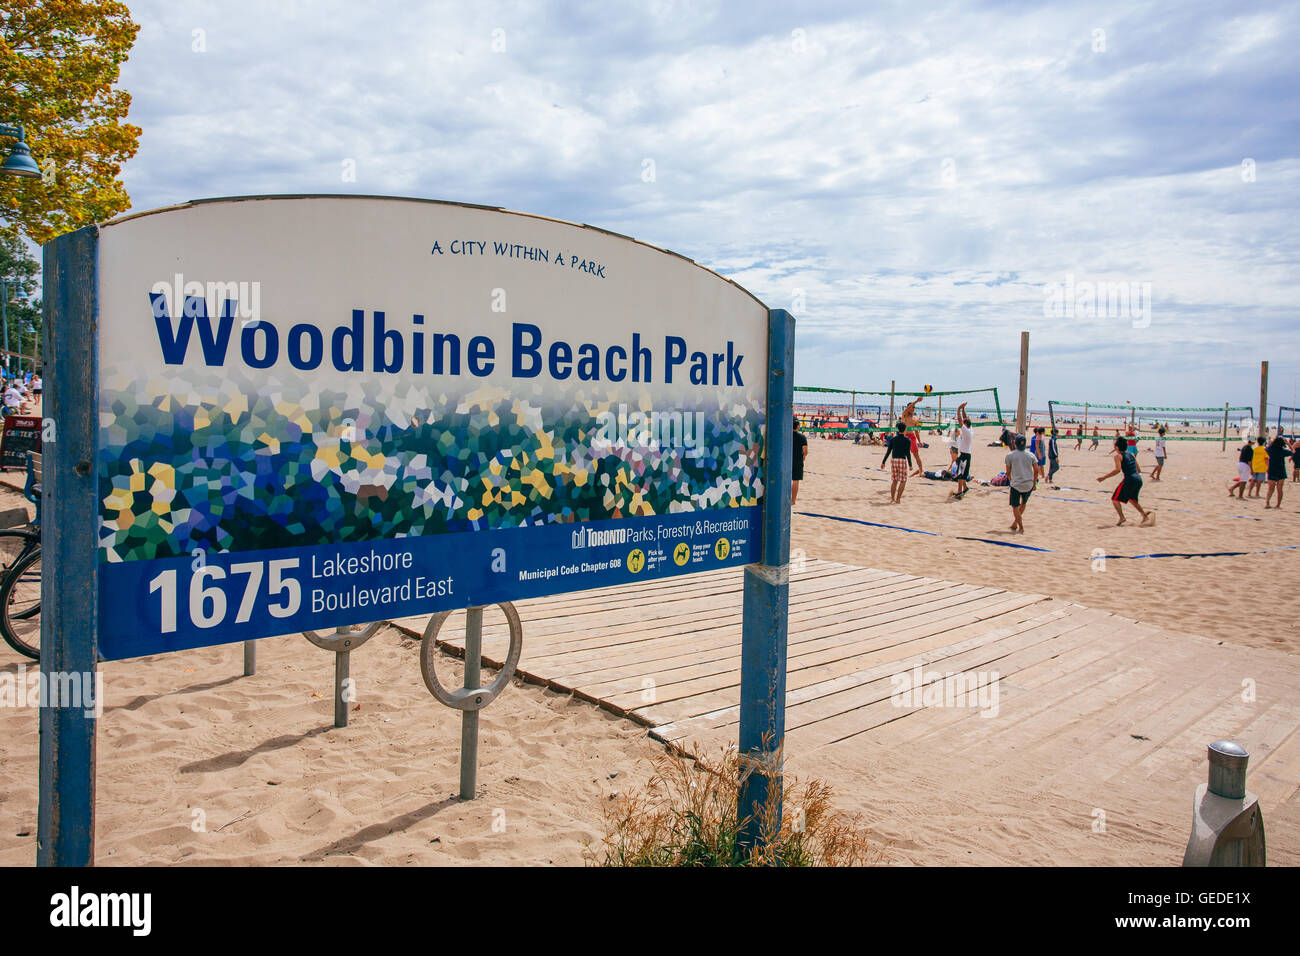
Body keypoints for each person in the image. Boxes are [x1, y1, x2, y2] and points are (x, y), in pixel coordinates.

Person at [1098, 436, 1154, 526]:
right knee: (1132, 499)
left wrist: (1104, 477)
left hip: (1130, 479)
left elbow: (1117, 470)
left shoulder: (1118, 456)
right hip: (1139, 480)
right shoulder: (1131, 455)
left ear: (1116, 447)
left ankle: (1122, 517)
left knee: (1115, 499)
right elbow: (1139, 470)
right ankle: (1144, 516)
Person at [1004, 434, 1040, 533]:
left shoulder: (1010, 455)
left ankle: (1021, 527)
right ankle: (1015, 523)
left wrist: (1011, 480)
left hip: (1016, 484)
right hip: (1028, 484)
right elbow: (1036, 470)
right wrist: (1034, 483)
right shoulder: (1031, 455)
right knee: (1023, 503)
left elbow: (1007, 471)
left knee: (1015, 506)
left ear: (1015, 444)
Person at [880, 421, 913, 503]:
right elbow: (907, 453)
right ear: (905, 430)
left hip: (894, 460)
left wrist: (883, 462)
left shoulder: (893, 439)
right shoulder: (907, 440)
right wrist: (910, 464)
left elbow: (888, 452)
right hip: (902, 460)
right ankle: (898, 499)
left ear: (898, 429)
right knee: (903, 480)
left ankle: (892, 498)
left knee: (894, 480)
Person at [954, 402, 973, 499]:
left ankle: (959, 492)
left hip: (965, 455)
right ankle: (965, 488)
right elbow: (965, 419)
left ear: (965, 425)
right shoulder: (970, 429)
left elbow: (961, 420)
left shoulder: (966, 431)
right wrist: (963, 409)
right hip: (966, 454)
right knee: (962, 473)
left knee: (961, 475)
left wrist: (958, 409)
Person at [1264, 435, 1290, 508]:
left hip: (1272, 470)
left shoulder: (1269, 449)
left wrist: (1272, 441)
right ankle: (1278, 505)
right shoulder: (1283, 451)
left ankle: (1267, 503)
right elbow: (1293, 451)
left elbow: (1266, 448)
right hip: (1281, 470)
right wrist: (1287, 443)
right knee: (1279, 489)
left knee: (1270, 489)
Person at [791, 415, 808, 506]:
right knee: (795, 481)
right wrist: (803, 457)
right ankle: (793, 500)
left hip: (787, 459)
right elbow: (805, 451)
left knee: (785, 480)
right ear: (798, 426)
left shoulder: (787, 435)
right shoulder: (802, 437)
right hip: (798, 461)